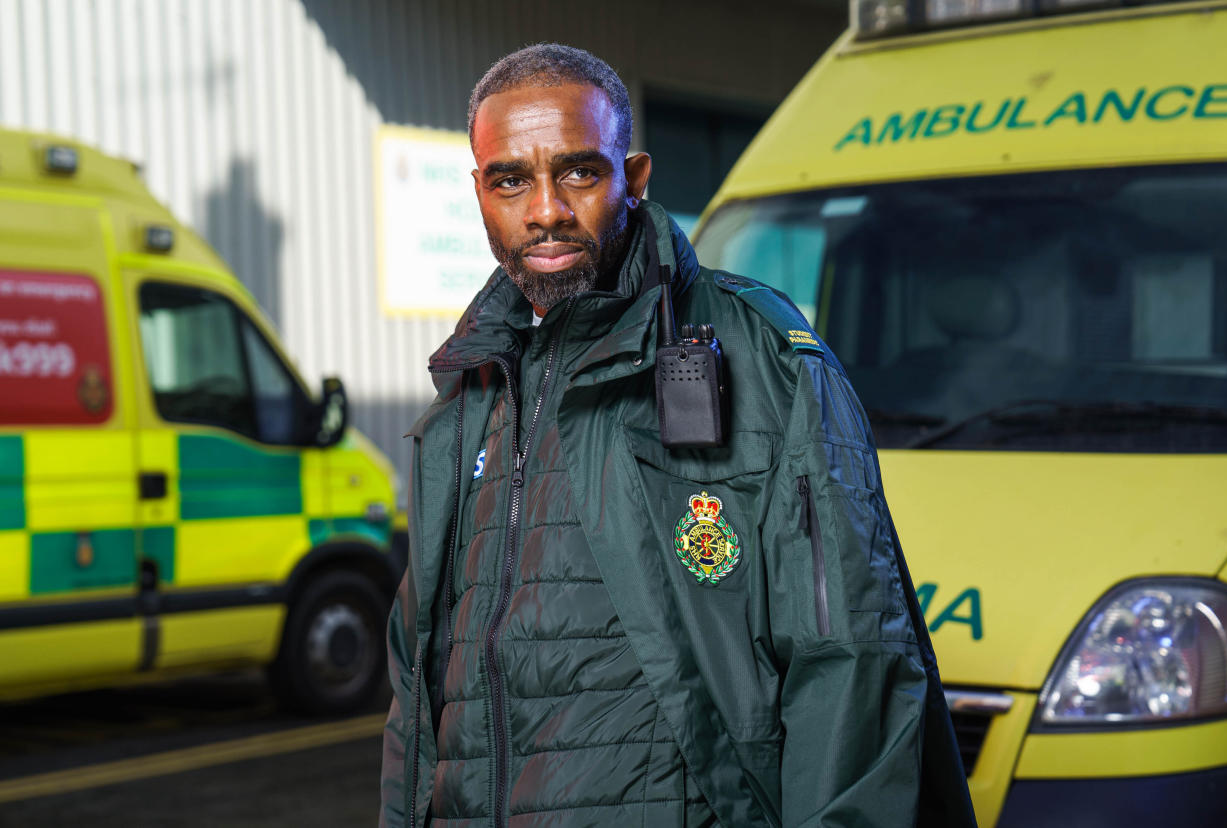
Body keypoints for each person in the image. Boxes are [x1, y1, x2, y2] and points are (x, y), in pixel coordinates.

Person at [380, 43, 975, 828]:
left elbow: (853, 662)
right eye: (512, 180)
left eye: (580, 172)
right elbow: (417, 700)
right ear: (481, 192)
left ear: (635, 178)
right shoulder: (462, 401)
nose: (547, 208)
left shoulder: (761, 358)